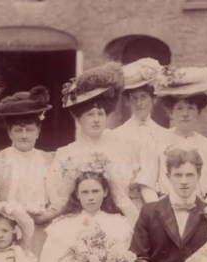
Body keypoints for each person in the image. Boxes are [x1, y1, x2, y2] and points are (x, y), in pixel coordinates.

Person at [48, 63, 140, 224]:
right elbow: (58, 197)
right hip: (80, 222)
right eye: (90, 115)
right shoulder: (66, 153)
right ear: (78, 119)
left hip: (121, 220)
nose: (96, 120)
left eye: (100, 114)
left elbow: (133, 189)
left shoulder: (123, 147)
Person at [0, 87, 55, 258]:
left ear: (38, 131)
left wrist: (47, 215)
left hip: (44, 231)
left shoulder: (51, 161)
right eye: (18, 130)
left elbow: (59, 198)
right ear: (9, 133)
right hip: (9, 233)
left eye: (30, 130)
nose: (24, 135)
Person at [140, 67, 207, 207]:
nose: (185, 114)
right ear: (171, 112)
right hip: (164, 210)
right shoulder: (156, 141)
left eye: (191, 108)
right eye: (179, 108)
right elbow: (147, 184)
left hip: (201, 210)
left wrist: (206, 209)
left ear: (198, 112)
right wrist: (157, 210)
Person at [112, 58, 171, 210]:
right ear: (128, 102)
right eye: (134, 98)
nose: (139, 103)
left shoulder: (165, 135)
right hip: (128, 204)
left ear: (154, 99)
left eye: (143, 97)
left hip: (160, 203)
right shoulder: (117, 136)